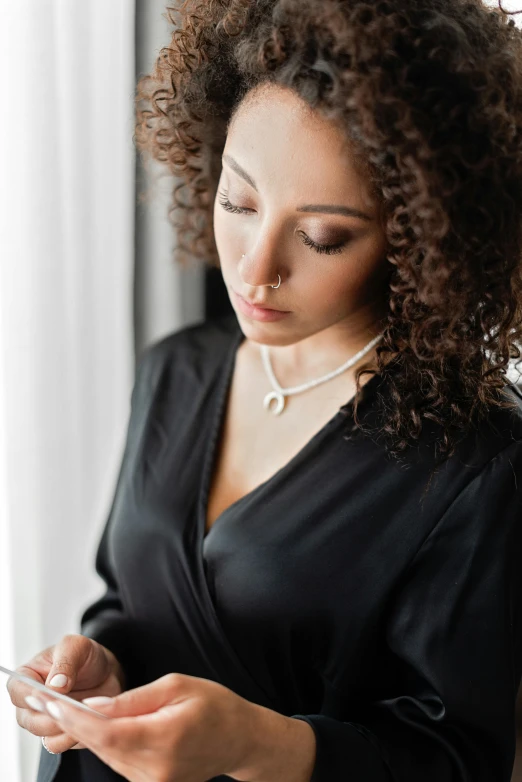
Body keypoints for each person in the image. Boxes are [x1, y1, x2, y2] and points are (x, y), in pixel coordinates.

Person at [7, 0, 522, 779]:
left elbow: (456, 757)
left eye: (322, 237)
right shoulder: (180, 368)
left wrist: (257, 743)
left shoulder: (476, 460)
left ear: (420, 239)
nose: (254, 269)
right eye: (239, 202)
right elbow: (129, 600)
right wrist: (97, 663)